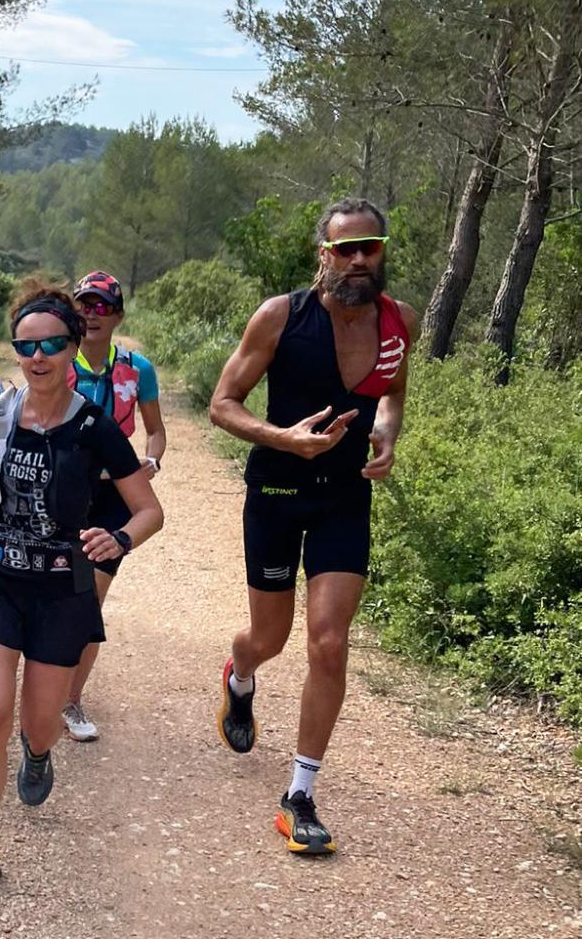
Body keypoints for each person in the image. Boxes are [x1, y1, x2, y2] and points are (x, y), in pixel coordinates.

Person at [0, 286, 163, 897]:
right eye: (26, 345)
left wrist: (120, 540)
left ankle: (38, 751)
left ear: (74, 347)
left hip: (62, 592)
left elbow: (148, 511)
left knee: (39, 722)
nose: (37, 356)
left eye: (51, 344)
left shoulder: (95, 427)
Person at [209, 197, 416, 855]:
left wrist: (386, 434)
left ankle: (299, 795)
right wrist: (282, 438)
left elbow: (393, 391)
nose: (359, 260)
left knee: (328, 642)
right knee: (269, 638)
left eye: (371, 247)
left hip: (344, 498)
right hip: (275, 488)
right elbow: (222, 404)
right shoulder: (281, 316)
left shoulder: (398, 322)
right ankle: (240, 675)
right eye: (345, 249)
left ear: (382, 252)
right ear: (321, 255)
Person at [60, 271, 167, 743]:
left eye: (103, 306)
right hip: (63, 491)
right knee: (55, 590)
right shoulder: (58, 361)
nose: (92, 314)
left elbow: (155, 429)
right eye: (84, 304)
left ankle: (70, 700)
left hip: (112, 495)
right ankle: (46, 679)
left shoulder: (137, 369)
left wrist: (152, 460)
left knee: (91, 598)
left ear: (118, 315)